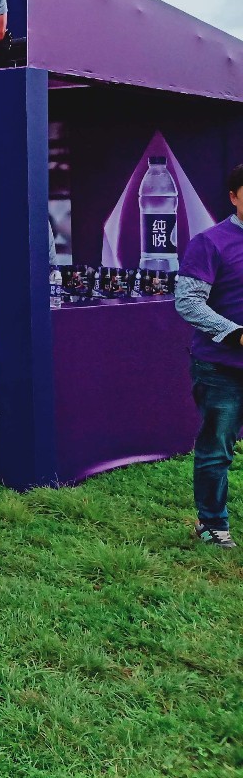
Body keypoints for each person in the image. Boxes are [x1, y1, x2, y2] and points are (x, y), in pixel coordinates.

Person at [176, 163, 243, 548]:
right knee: (217, 450)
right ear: (233, 197)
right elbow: (188, 302)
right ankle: (213, 525)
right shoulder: (210, 242)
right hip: (221, 368)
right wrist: (236, 334)